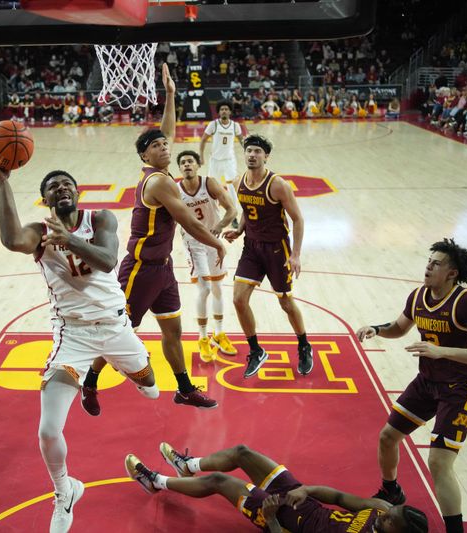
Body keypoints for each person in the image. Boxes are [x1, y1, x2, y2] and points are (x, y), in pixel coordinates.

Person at [0, 151, 159, 533]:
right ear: (45, 200)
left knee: (152, 390)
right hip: (72, 334)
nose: (61, 188)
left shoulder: (100, 218)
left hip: (116, 327)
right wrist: (2, 182)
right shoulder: (39, 232)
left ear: (77, 193)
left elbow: (109, 260)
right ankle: (65, 491)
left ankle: (122, 366)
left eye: (66, 184)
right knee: (47, 430)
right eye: (52, 187)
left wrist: (70, 241)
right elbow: (12, 239)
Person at [81, 64, 226, 413]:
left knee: (173, 331)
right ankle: (89, 382)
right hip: (140, 270)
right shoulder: (158, 181)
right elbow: (188, 221)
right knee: (118, 330)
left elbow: (167, 133)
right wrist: (218, 242)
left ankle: (185, 388)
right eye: (158, 146)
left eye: (166, 145)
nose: (166, 147)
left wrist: (172, 94)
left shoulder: (160, 170)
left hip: (163, 269)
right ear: (145, 155)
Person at [355, 239, 467, 533]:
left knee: (438, 462)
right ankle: (391, 490)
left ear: (452, 273)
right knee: (387, 436)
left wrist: (441, 351)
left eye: (436, 263)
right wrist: (377, 329)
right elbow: (400, 327)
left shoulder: (466, 303)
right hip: (428, 382)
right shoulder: (419, 295)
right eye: (428, 261)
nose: (428, 266)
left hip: (461, 388)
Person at [126, 442, 428, 533]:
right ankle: (188, 466)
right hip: (305, 503)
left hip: (283, 522)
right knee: (242, 452)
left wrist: (271, 519)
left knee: (220, 482)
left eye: (390, 521)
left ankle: (155, 482)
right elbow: (337, 497)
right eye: (391, 511)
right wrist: (306, 490)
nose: (384, 515)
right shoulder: (381, 508)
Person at [223, 135, 313, 378]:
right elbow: (246, 211)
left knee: (285, 302)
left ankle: (304, 344)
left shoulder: (278, 185)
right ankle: (256, 350)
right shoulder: (239, 181)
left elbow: (298, 219)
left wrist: (295, 255)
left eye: (257, 151)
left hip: (276, 249)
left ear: (266, 156)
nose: (252, 155)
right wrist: (240, 229)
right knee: (238, 300)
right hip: (251, 247)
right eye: (249, 150)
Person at [176, 150, 238, 362]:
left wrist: (220, 226)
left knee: (219, 287)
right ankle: (202, 337)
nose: (186, 165)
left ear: (197, 165)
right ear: (179, 168)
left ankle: (219, 334)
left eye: (190, 161)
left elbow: (232, 209)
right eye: (183, 162)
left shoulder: (209, 183)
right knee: (204, 288)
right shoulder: (175, 190)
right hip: (193, 244)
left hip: (213, 241)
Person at [199, 101, 244, 227]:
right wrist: (201, 156)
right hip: (215, 161)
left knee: (232, 189)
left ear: (230, 111)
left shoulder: (235, 126)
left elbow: (242, 140)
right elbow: (203, 140)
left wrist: (248, 151)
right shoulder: (213, 124)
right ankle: (212, 214)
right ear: (219, 112)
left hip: (229, 161)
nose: (224, 111)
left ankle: (233, 215)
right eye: (222, 109)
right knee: (212, 188)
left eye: (226, 109)